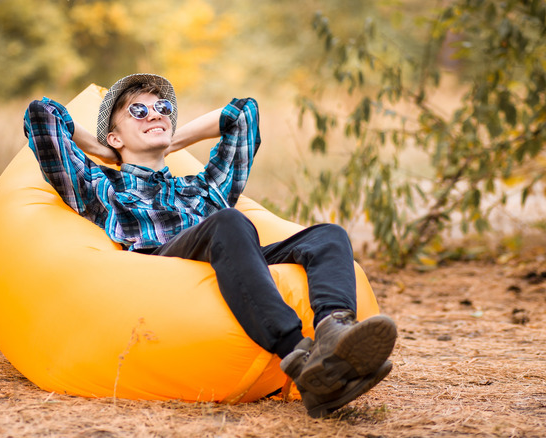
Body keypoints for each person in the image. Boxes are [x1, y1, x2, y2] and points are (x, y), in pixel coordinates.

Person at [23, 73, 397, 418]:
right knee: (228, 222)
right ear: (115, 137)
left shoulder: (204, 187)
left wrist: (171, 139)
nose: (154, 113)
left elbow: (243, 114)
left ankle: (335, 330)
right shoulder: (103, 187)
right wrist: (106, 151)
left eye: (163, 108)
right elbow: (43, 115)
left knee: (327, 234)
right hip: (163, 267)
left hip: (231, 259)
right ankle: (300, 357)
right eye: (138, 110)